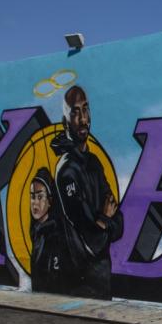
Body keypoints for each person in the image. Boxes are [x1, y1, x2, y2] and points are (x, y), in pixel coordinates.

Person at [51, 85, 124, 299]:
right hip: (79, 285)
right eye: (75, 112)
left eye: (86, 109)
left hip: (102, 280)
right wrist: (103, 220)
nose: (83, 119)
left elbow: (118, 222)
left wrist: (104, 222)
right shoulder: (67, 171)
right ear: (65, 122)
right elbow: (90, 235)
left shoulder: (94, 163)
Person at [29, 167, 66, 293]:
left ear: (50, 201)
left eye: (40, 197)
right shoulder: (36, 231)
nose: (35, 203)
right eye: (32, 197)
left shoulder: (55, 234)